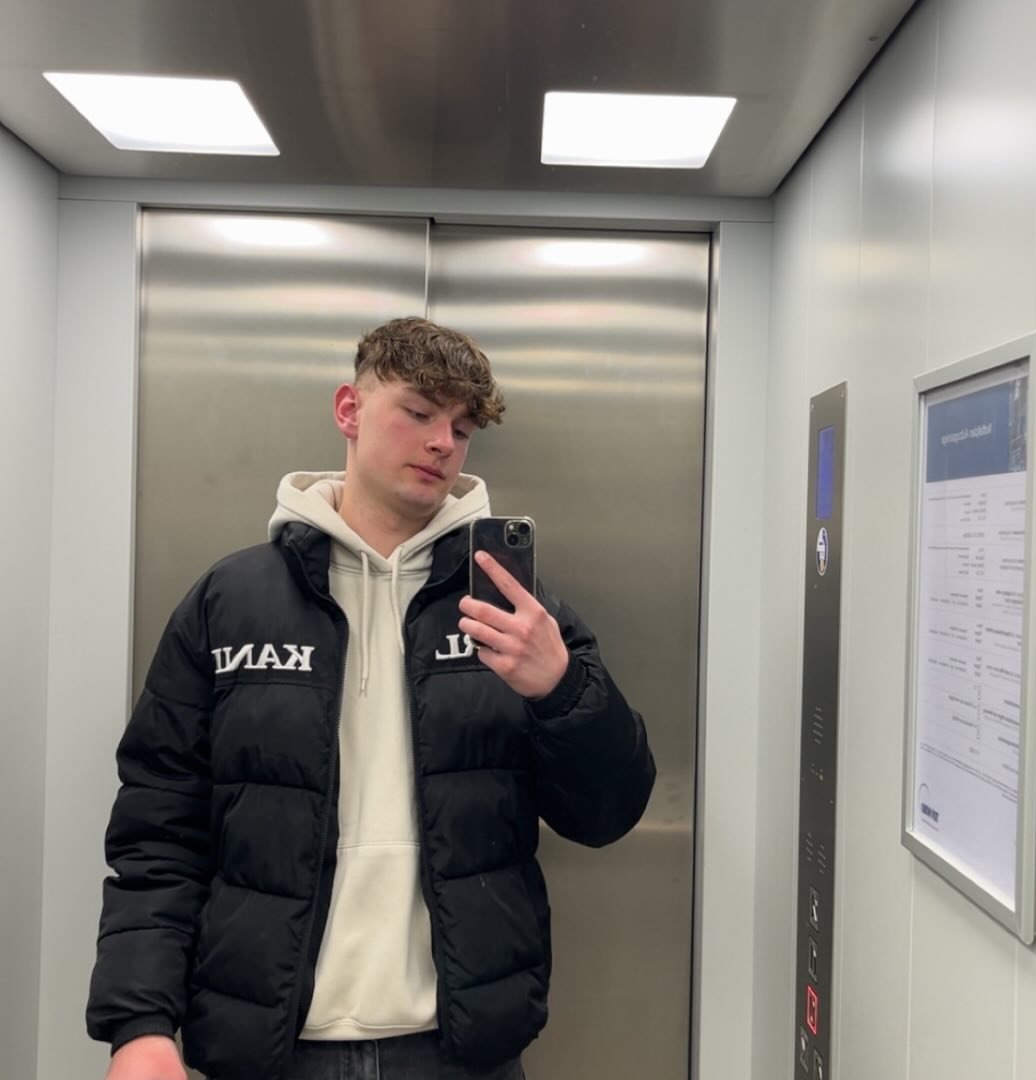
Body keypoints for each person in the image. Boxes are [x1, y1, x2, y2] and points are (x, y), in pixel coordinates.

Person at [86, 316, 656, 1080]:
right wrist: (140, 1024)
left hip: (462, 1053)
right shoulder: (231, 603)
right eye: (418, 412)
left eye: (462, 427)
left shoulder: (518, 613)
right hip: (267, 1051)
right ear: (349, 410)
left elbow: (608, 813)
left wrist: (562, 690)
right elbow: (158, 831)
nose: (442, 443)